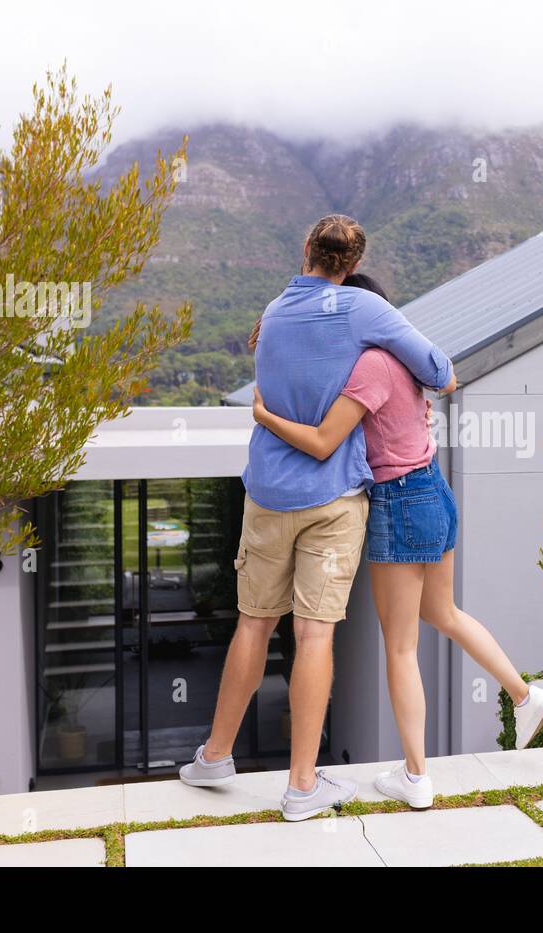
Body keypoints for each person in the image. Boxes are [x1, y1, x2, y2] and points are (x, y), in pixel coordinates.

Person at [178, 215, 455, 822]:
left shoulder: (273, 312)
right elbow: (440, 370)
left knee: (253, 622)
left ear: (304, 249)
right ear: (352, 267)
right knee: (314, 634)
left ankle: (216, 756)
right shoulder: (362, 310)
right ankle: (302, 786)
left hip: (268, 494)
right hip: (332, 502)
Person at [250, 271, 543, 810]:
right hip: (434, 490)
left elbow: (324, 441)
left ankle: (416, 776)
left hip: (399, 500)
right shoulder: (406, 360)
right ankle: (525, 695)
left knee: (400, 646)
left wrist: (265, 416)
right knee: (446, 614)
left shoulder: (370, 365)